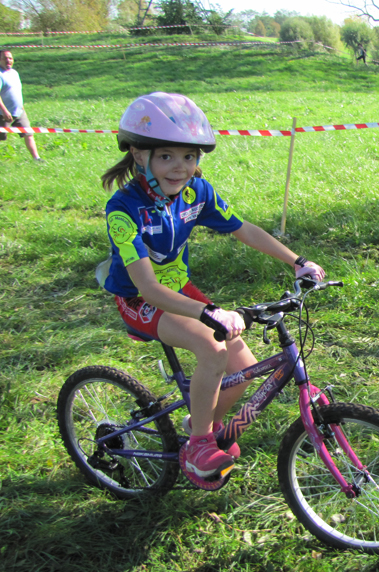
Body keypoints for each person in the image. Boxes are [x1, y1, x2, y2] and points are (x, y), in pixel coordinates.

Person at [99, 92, 326, 482]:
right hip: (139, 298)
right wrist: (208, 313)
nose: (180, 167)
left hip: (181, 290)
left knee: (245, 367)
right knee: (211, 345)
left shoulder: (195, 193)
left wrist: (297, 261)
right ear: (139, 155)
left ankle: (201, 426)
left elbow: (244, 229)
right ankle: (199, 445)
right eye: (166, 156)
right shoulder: (124, 209)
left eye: (189, 157)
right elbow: (148, 288)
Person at [0, 49, 42, 161]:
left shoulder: (14, 73)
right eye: (5, 58)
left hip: (19, 111)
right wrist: (4, 111)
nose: (8, 60)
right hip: (3, 113)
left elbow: (17, 91)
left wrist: (21, 106)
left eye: (10, 58)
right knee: (1, 137)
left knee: (28, 133)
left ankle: (36, 158)